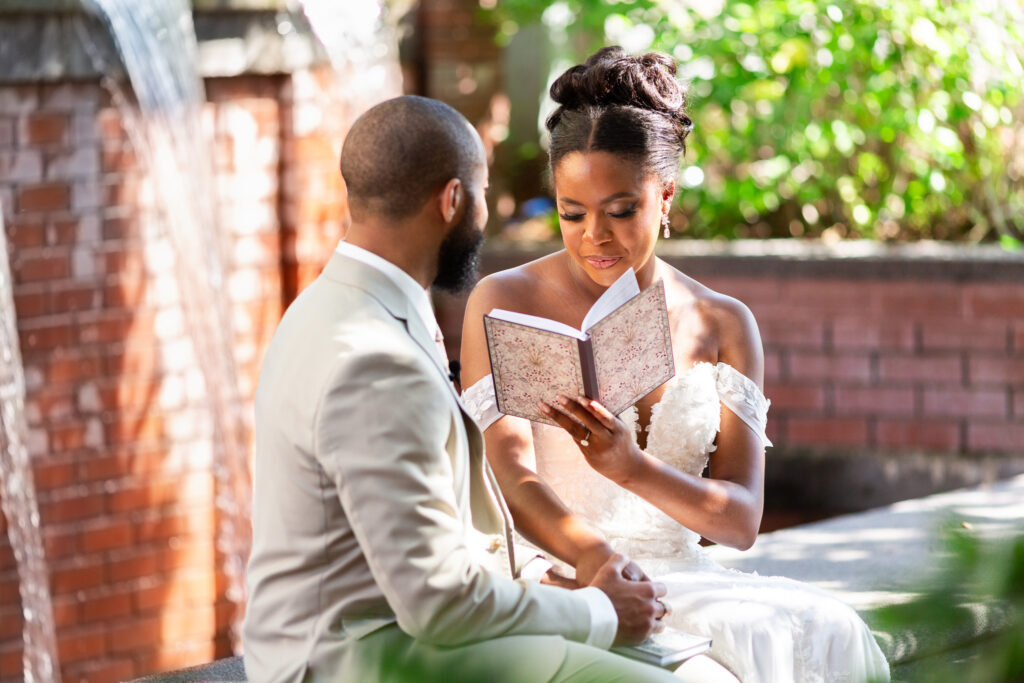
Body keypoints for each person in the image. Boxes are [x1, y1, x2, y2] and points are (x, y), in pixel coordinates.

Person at [460, 48, 891, 683]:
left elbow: (741, 522)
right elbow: (514, 477)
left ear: (664, 195)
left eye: (621, 210)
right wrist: (599, 562)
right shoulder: (503, 302)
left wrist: (632, 468)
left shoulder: (725, 323)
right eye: (571, 213)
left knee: (831, 630)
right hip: (562, 570)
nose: (593, 238)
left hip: (686, 577)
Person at [242, 94, 694, 683]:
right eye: (481, 194)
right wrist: (601, 614)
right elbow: (437, 600)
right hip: (352, 660)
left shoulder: (329, 307)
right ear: (452, 200)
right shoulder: (375, 363)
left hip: (379, 635)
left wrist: (536, 573)